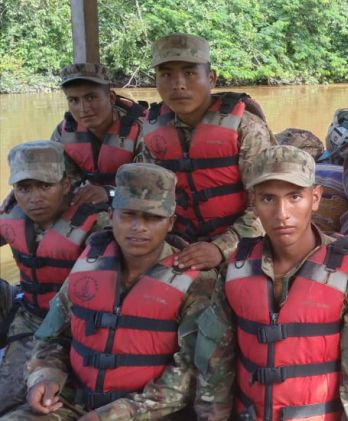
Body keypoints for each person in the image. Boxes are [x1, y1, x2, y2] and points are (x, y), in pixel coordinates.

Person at [0, 163, 219, 420]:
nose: (139, 227)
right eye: (128, 215)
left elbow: (190, 375)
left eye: (152, 217)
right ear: (112, 215)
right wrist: (45, 375)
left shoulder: (197, 281)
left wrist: (112, 414)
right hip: (75, 403)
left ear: (170, 223)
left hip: (147, 412)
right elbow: (51, 335)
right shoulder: (89, 263)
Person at [194, 145, 348, 420]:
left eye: (295, 197)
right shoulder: (237, 266)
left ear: (316, 198)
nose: (282, 213)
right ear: (254, 203)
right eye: (268, 199)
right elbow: (215, 366)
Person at [136, 33, 275, 270]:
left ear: (211, 78)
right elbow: (144, 198)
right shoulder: (152, 131)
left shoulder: (247, 128)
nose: (178, 84)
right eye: (166, 74)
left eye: (189, 73)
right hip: (176, 243)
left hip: (242, 244)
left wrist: (220, 248)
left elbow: (270, 203)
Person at [0, 141, 107, 415]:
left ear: (67, 184)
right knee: (7, 400)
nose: (35, 198)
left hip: (77, 328)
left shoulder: (98, 223)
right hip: (31, 316)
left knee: (32, 406)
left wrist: (109, 193)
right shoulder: (11, 217)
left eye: (45, 186)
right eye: (24, 188)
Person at [51, 63, 147, 207]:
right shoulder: (63, 133)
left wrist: (109, 193)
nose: (83, 109)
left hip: (132, 207)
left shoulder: (142, 130)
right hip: (87, 203)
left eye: (91, 98)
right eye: (74, 100)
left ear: (111, 98)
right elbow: (56, 178)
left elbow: (151, 189)